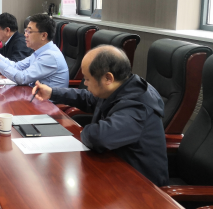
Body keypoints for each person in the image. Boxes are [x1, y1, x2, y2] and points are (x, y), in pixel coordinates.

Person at [32, 45, 168, 186]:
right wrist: (53, 92)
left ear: (108, 78)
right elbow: (88, 98)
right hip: (114, 169)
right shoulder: (120, 87)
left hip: (141, 187)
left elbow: (98, 137)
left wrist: (84, 131)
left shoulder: (137, 106)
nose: (85, 83)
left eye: (87, 79)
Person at [0, 13, 68, 88]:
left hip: (47, 100)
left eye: (29, 31)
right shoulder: (40, 52)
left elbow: (22, 78)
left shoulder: (50, 56)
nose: (25, 34)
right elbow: (16, 66)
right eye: (26, 31)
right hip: (33, 94)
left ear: (43, 35)